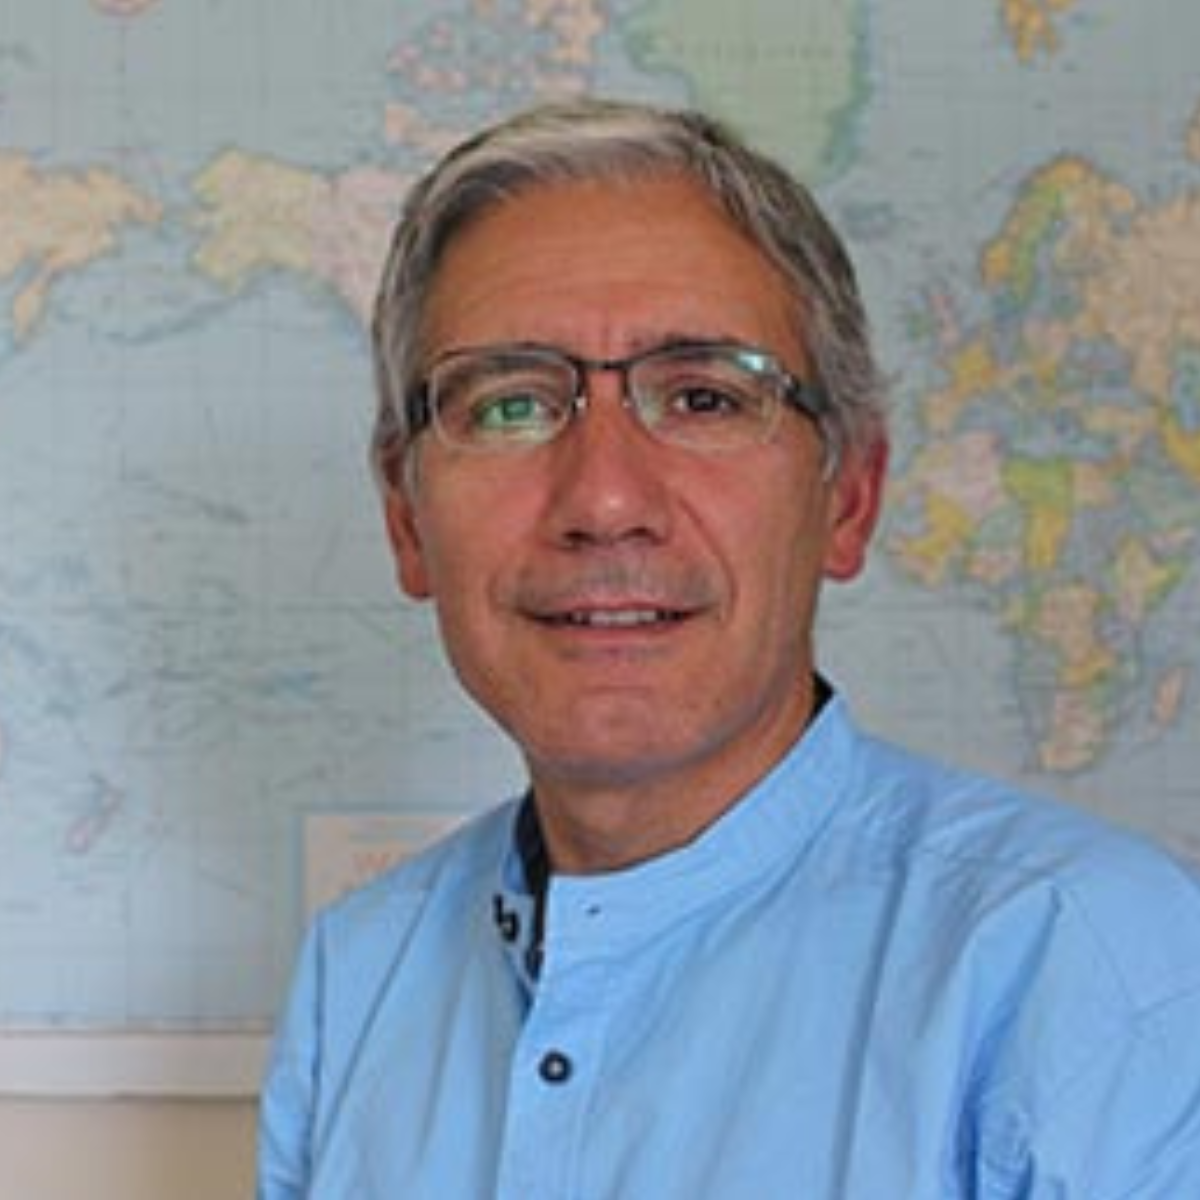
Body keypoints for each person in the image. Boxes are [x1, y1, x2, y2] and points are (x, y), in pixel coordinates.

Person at [258, 98, 1200, 1198]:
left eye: (704, 396)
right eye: (510, 406)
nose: (605, 501)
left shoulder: (1091, 965)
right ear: (405, 517)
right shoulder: (359, 974)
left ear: (849, 496)